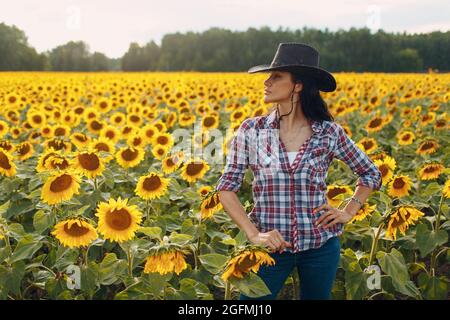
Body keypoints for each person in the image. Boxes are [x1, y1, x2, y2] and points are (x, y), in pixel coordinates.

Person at [215, 43, 382, 300]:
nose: (267, 82)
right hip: (270, 249)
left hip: (320, 247)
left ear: (299, 85)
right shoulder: (251, 131)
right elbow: (226, 188)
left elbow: (370, 172)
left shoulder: (328, 133)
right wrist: (253, 234)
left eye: (277, 76)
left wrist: (349, 211)